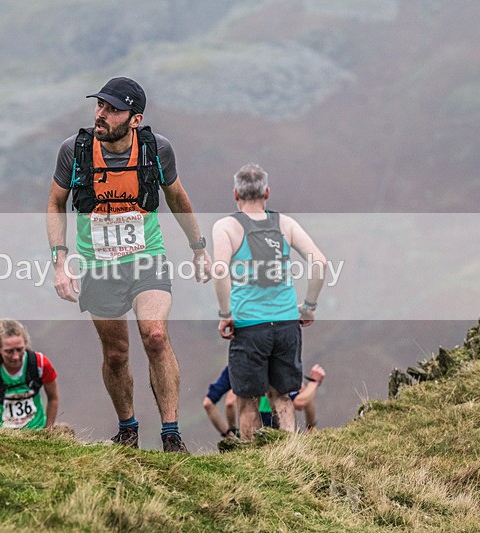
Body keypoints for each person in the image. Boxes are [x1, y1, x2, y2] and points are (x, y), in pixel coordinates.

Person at [46, 77, 211, 453]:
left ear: (135, 119)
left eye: (112, 109)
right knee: (116, 353)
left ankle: (171, 434)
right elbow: (56, 203)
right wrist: (60, 261)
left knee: (155, 336)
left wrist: (198, 248)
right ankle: (127, 429)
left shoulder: (156, 149)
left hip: (146, 258)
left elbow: (177, 198)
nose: (100, 114)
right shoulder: (75, 150)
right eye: (99, 105)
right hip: (98, 265)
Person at [212, 163, 327, 441]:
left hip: (249, 326)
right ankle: (290, 453)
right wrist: (308, 307)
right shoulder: (286, 224)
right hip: (287, 323)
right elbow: (320, 263)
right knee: (282, 396)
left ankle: (253, 459)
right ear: (266, 193)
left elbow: (220, 270)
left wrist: (225, 314)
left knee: (247, 400)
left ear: (235, 194)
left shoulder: (226, 227)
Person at [0, 319, 59, 430]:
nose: (16, 356)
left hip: (37, 431)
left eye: (19, 349)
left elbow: (53, 398)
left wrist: (48, 430)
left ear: (25, 344)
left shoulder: (40, 363)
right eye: (9, 351)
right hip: (1, 433)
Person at [202, 366, 239, 441]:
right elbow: (230, 403)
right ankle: (233, 438)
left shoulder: (233, 367)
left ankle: (232, 439)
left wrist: (229, 434)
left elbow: (208, 403)